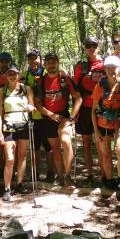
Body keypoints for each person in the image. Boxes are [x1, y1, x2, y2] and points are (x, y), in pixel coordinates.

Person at [36, 52, 82, 189]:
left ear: (57, 62)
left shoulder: (65, 79)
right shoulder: (41, 81)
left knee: (66, 141)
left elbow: (78, 98)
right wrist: (50, 115)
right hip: (49, 118)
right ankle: (60, 177)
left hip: (64, 116)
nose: (51, 64)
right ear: (45, 64)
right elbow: (38, 103)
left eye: (54, 62)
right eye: (49, 62)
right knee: (55, 149)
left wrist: (71, 118)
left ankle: (68, 176)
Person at [91, 56, 120, 196]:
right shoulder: (100, 86)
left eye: (113, 67)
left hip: (119, 126)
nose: (111, 70)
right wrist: (96, 131)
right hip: (102, 126)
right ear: (105, 69)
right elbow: (93, 110)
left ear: (118, 68)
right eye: (108, 67)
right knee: (106, 154)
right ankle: (109, 180)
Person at [0, 64, 35, 201]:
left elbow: (32, 106)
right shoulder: (2, 91)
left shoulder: (26, 89)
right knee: (10, 158)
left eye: (14, 73)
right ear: (6, 76)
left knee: (22, 156)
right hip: (8, 126)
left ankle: (19, 184)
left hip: (24, 125)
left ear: (19, 74)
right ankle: (7, 188)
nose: (12, 76)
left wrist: (31, 107)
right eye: (9, 74)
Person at [73, 36, 104, 180]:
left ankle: (105, 173)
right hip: (85, 108)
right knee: (86, 142)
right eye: (88, 45)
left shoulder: (104, 63)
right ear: (84, 48)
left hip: (102, 107)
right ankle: (90, 173)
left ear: (99, 46)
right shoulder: (81, 66)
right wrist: (75, 110)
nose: (91, 48)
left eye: (94, 45)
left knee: (101, 142)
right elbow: (75, 88)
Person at [21, 49, 55, 181]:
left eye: (35, 58)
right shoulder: (26, 75)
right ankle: (35, 172)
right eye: (30, 58)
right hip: (33, 115)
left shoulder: (47, 72)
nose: (33, 61)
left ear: (40, 60)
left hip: (47, 114)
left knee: (48, 146)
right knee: (35, 146)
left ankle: (50, 172)